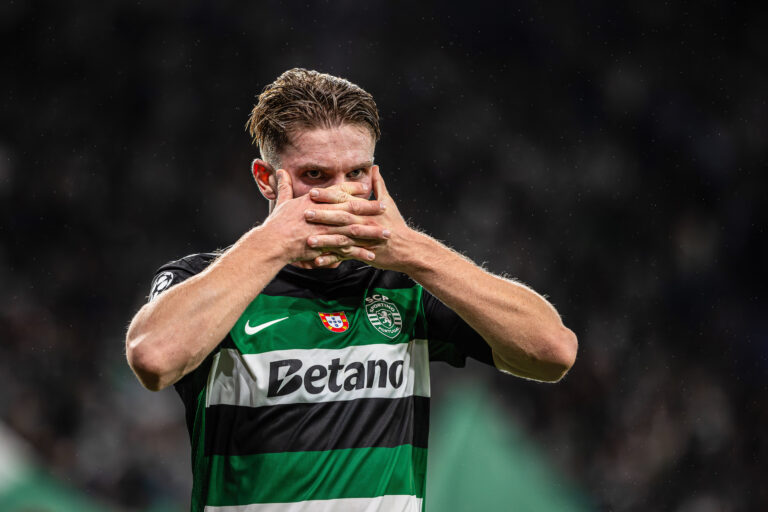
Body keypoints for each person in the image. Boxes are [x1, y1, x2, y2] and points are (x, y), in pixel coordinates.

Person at [125, 68, 577, 512]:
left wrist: (413, 251)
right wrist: (273, 243)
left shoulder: (409, 283)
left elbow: (551, 351)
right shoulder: (212, 280)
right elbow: (152, 359)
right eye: (317, 176)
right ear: (267, 179)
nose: (341, 195)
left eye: (356, 173)